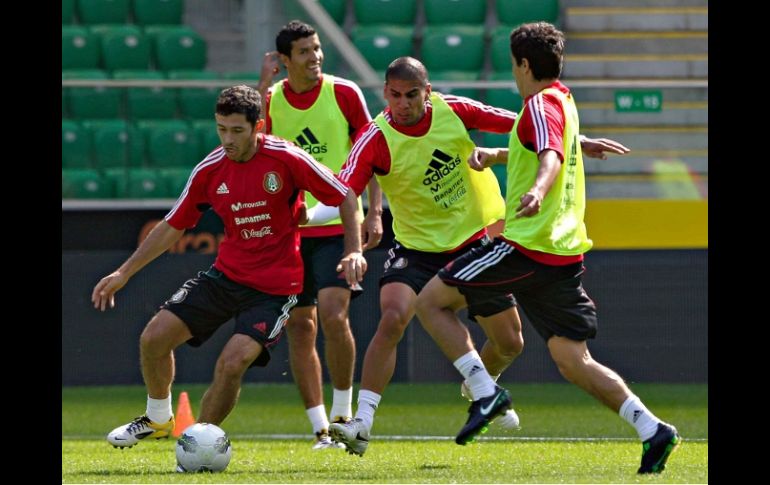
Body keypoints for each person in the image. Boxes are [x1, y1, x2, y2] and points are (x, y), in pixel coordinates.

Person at [414, 22, 680, 474]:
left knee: (430, 302)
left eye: (513, 65)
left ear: (522, 64)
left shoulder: (538, 104)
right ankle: (653, 429)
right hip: (563, 256)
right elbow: (546, 143)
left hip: (527, 246)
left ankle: (484, 391)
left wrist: (537, 190)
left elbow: (549, 155)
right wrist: (495, 156)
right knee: (572, 360)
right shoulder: (563, 100)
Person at [328, 56, 629, 456]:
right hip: (417, 249)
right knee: (394, 314)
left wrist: (579, 141)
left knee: (509, 342)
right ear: (385, 92)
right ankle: (363, 422)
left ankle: (479, 386)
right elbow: (344, 190)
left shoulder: (455, 110)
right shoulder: (375, 137)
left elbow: (531, 128)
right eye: (395, 95)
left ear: (428, 92)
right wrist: (352, 247)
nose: (403, 103)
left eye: (412, 95)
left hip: (474, 241)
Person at [92, 85, 367, 450]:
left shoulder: (287, 158)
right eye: (222, 129)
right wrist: (123, 272)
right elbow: (173, 225)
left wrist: (353, 250)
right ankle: (158, 418)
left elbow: (345, 195)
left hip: (275, 289)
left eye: (237, 131)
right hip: (226, 277)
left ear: (259, 126)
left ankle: (197, 441)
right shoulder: (210, 168)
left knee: (232, 362)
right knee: (153, 339)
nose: (228, 139)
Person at [256, 20, 383, 449]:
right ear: (285, 60)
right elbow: (254, 149)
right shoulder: (271, 101)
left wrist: (376, 212)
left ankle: (344, 412)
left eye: (317, 48)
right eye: (305, 52)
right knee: (300, 327)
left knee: (333, 314)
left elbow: (373, 150)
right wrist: (260, 88)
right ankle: (320, 428)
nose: (315, 57)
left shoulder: (344, 92)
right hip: (293, 229)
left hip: (337, 224)